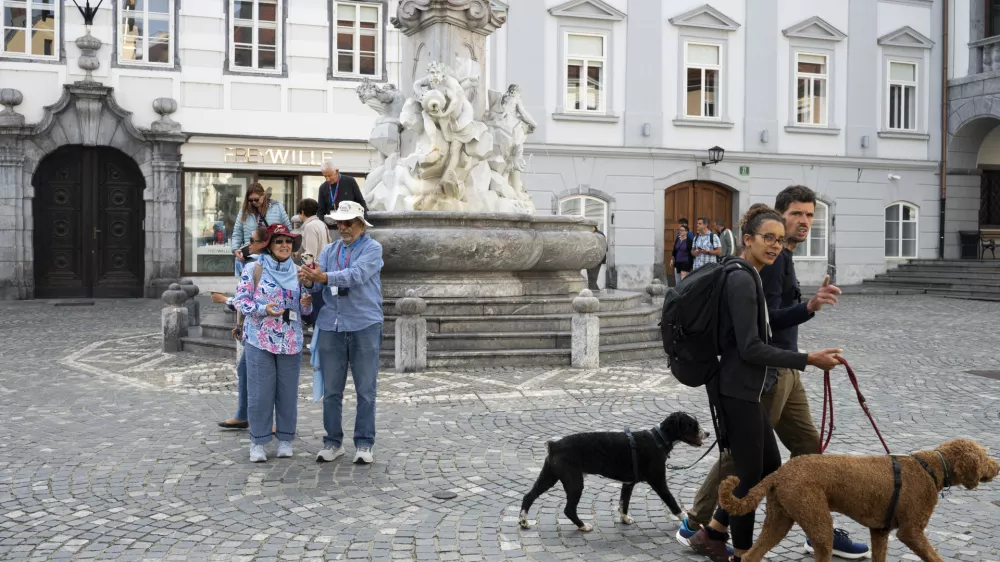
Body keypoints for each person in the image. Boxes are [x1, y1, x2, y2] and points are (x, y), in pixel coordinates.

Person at [679, 186, 870, 559]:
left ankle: (808, 530)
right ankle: (708, 527)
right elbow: (755, 333)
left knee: (798, 453)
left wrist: (808, 307)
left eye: (810, 215)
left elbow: (762, 320)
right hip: (765, 373)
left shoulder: (777, 259)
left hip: (781, 367)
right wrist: (807, 355)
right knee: (748, 462)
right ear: (760, 231)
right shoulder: (754, 270)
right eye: (796, 215)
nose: (804, 222)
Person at [299, 201, 385, 465]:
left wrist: (323, 278)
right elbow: (318, 286)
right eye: (339, 223)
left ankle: (364, 443)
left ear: (361, 224)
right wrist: (309, 281)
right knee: (332, 390)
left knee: (366, 390)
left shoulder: (373, 247)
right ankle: (332, 442)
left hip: (364, 324)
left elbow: (356, 275)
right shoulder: (329, 250)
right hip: (330, 325)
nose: (343, 227)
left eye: (349, 223)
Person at [233, 224, 312, 463]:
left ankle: (286, 439)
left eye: (288, 242)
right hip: (260, 339)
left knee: (287, 393)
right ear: (269, 245)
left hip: (290, 340)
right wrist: (262, 309)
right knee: (260, 394)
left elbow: (306, 311)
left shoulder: (300, 272)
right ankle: (258, 442)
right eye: (279, 241)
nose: (285, 246)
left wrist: (307, 300)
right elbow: (240, 301)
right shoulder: (253, 268)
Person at [213, 227, 268, 430]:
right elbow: (244, 294)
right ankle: (243, 414)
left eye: (252, 241)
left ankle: (268, 421)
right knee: (244, 368)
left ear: (262, 244)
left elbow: (252, 301)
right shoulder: (251, 265)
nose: (248, 245)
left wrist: (224, 300)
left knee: (264, 376)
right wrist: (239, 324)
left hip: (267, 331)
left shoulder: (263, 267)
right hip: (252, 327)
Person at [231, 182, 291, 277]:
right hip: (252, 256)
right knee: (252, 284)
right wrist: (235, 249)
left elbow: (288, 229)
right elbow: (237, 232)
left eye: (256, 199)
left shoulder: (277, 207)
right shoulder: (244, 211)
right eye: (250, 200)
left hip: (273, 256)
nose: (253, 202)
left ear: (263, 196)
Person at [586, 227, 607, 291]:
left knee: (593, 276)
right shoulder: (593, 234)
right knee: (591, 276)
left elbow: (604, 247)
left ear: (594, 227)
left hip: (596, 258)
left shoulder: (598, 235)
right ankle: (595, 288)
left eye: (591, 227)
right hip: (592, 258)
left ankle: (592, 289)